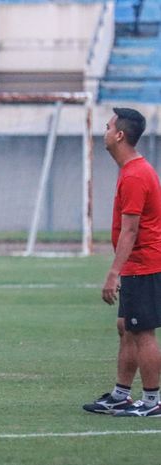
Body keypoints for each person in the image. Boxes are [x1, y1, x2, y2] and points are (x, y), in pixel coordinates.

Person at [83, 107, 161, 417]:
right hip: (137, 265)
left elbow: (130, 231)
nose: (103, 132)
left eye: (107, 127)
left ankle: (153, 401)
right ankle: (121, 394)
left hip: (144, 265)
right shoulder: (130, 170)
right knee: (125, 327)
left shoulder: (135, 175)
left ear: (119, 135)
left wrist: (112, 274)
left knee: (143, 332)